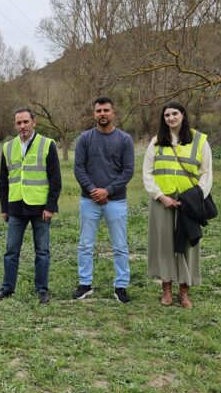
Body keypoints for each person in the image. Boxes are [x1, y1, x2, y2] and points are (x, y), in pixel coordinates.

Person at [142, 101, 213, 309]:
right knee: (164, 245)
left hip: (188, 202)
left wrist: (197, 196)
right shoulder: (156, 141)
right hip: (162, 201)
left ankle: (184, 291)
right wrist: (159, 195)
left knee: (187, 246)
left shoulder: (200, 141)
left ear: (183, 115)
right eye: (166, 115)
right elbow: (147, 172)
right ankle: (166, 289)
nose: (171, 118)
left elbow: (206, 172)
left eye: (174, 114)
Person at [0, 108, 62, 304]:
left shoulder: (47, 144)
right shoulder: (8, 147)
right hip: (16, 207)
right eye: (18, 123)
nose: (22, 126)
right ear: (15, 125)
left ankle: (42, 290)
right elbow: (3, 181)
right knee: (11, 250)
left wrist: (50, 206)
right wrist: (4, 208)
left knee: (42, 251)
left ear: (34, 122)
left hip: (40, 208)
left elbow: (55, 179)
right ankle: (7, 288)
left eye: (25, 122)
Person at [72, 97, 135, 303]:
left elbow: (127, 171)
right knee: (85, 244)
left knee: (119, 246)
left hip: (115, 201)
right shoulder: (85, 138)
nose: (102, 114)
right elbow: (79, 168)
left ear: (113, 112)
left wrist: (107, 191)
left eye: (106, 110)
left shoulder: (124, 140)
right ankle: (85, 284)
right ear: (94, 114)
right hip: (89, 200)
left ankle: (121, 286)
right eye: (98, 111)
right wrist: (92, 190)